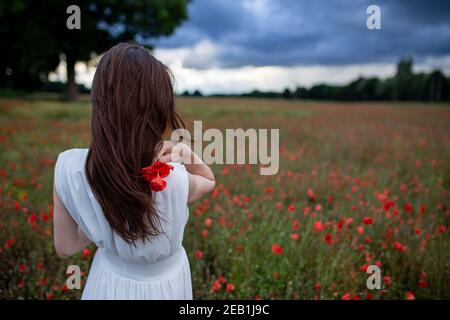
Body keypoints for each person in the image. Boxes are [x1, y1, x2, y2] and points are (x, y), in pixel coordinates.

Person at [53, 43, 215, 299]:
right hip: (167, 288)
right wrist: (185, 152)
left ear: (100, 104)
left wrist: (100, 215)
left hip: (106, 285)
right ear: (160, 107)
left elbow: (65, 248)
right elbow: (208, 180)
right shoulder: (170, 176)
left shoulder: (68, 167)